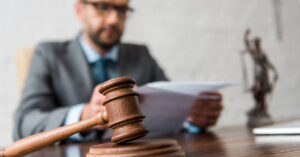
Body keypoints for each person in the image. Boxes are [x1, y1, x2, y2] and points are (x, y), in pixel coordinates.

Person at [13, 0, 223, 141]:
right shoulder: (49, 54)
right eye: (103, 7)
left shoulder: (141, 55)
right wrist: (86, 115)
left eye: (122, 10)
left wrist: (192, 118)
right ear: (79, 10)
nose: (114, 19)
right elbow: (24, 125)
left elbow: (170, 107)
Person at [243, 29, 279, 127]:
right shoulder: (254, 52)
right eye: (255, 42)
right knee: (256, 92)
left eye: (257, 42)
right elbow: (246, 44)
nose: (256, 44)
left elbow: (268, 63)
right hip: (257, 75)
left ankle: (262, 109)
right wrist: (246, 35)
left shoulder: (262, 53)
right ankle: (258, 107)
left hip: (263, 74)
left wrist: (274, 71)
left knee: (263, 92)